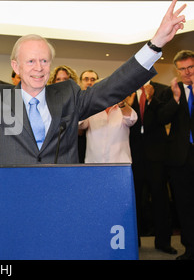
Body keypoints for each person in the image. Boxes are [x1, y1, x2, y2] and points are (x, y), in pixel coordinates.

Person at [0, 0, 185, 166]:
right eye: (30, 61)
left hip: (61, 197)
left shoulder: (68, 93)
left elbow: (114, 87)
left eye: (44, 61)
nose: (39, 68)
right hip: (13, 198)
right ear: (15, 66)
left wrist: (156, 43)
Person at [128, 81, 176, 255]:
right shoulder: (127, 89)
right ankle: (135, 241)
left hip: (157, 156)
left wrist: (152, 98)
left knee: (160, 200)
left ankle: (163, 242)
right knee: (134, 202)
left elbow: (165, 118)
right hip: (133, 155)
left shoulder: (162, 90)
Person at [158, 50, 194, 260]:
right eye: (183, 69)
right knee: (184, 205)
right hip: (180, 159)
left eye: (190, 67)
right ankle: (190, 249)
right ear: (177, 71)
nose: (187, 72)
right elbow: (162, 118)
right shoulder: (173, 90)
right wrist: (176, 99)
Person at [79, 98, 137, 163]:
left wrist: (122, 104)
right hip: (94, 164)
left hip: (119, 165)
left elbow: (132, 119)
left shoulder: (122, 109)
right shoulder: (92, 109)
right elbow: (80, 124)